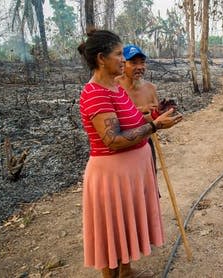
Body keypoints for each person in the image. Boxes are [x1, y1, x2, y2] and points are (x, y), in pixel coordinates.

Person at [77, 29, 182, 278]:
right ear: (101, 58)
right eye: (118, 55)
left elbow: (130, 120)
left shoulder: (114, 87)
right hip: (113, 177)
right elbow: (113, 139)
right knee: (113, 232)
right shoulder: (95, 93)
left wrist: (155, 116)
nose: (123, 60)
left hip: (130, 175)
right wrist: (154, 126)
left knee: (125, 226)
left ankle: (126, 272)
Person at [116, 44, 177, 167]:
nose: (139, 67)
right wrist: (141, 109)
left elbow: (153, 120)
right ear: (123, 63)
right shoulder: (114, 86)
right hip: (122, 146)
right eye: (133, 63)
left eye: (142, 62)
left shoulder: (150, 88)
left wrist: (161, 113)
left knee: (148, 181)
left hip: (145, 142)